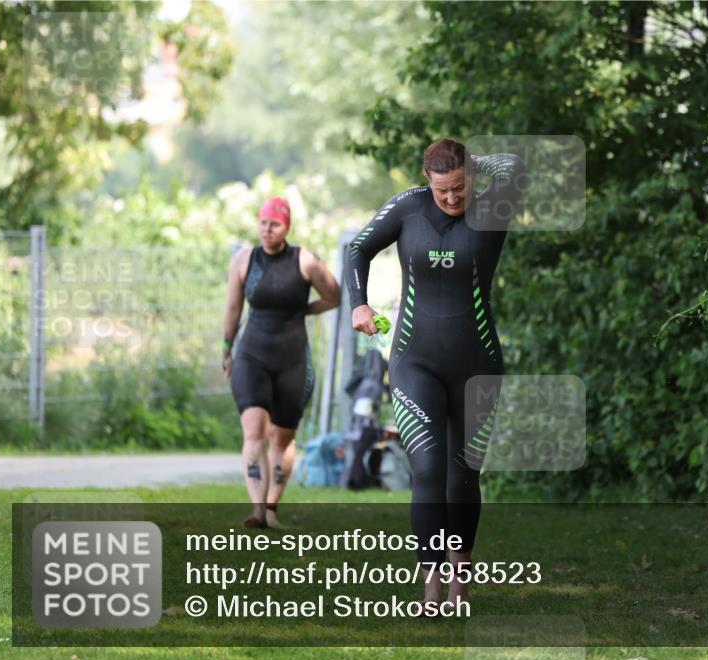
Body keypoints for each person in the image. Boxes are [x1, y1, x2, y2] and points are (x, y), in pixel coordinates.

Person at [347, 139, 524, 609]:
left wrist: (476, 163)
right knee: (427, 469)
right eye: (442, 189)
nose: (451, 198)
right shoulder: (408, 208)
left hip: (478, 363)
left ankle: (459, 588)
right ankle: (429, 589)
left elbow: (517, 168)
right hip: (414, 361)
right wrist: (358, 303)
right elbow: (358, 249)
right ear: (427, 181)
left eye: (459, 187)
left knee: (463, 475)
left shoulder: (492, 209)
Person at [222, 196, 341, 529]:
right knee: (255, 431)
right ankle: (258, 509)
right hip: (252, 355)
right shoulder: (244, 260)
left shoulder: (305, 260)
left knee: (282, 439)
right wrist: (226, 348)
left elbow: (334, 295)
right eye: (262, 223)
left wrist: (304, 309)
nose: (267, 230)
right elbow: (232, 309)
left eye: (274, 224)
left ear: (286, 226)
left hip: (292, 359)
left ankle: (272, 508)